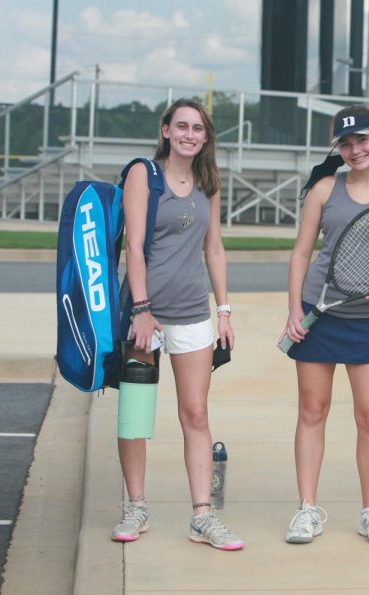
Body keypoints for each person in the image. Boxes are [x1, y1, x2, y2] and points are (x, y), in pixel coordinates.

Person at [279, 104, 369, 545]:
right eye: (346, 143)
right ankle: (307, 510)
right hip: (319, 311)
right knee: (312, 412)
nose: (355, 149)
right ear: (339, 148)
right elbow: (302, 253)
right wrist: (292, 310)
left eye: (362, 139)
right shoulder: (324, 189)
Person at [111, 99, 243, 551]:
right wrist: (141, 309)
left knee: (196, 414)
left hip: (191, 314)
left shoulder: (209, 183)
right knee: (137, 413)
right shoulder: (143, 175)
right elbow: (133, 246)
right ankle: (136, 505)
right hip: (145, 315)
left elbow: (215, 249)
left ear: (206, 138)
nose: (189, 134)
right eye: (181, 126)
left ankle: (202, 517)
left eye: (198, 128)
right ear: (165, 130)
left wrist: (223, 311)